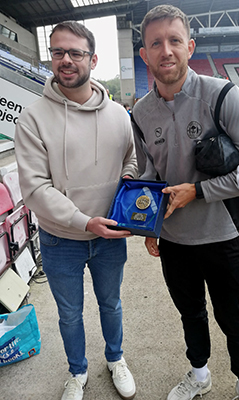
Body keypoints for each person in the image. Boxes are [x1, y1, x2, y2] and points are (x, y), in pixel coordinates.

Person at [132, 5, 239, 400]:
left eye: (174, 41)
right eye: (155, 43)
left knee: (235, 319)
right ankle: (199, 377)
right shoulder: (140, 113)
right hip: (175, 243)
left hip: (223, 236)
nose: (166, 50)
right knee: (190, 315)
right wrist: (146, 221)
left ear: (190, 47)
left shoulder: (221, 95)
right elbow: (151, 173)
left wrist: (199, 191)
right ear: (144, 54)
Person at [15, 21, 137, 400]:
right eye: (57, 52)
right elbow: (35, 188)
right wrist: (85, 221)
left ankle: (115, 359)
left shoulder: (118, 115)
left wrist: (128, 195)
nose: (66, 60)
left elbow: (131, 161)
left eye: (75, 53)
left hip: (110, 237)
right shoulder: (33, 118)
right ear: (50, 57)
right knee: (69, 314)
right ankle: (77, 371)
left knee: (111, 304)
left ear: (93, 59)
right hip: (59, 240)